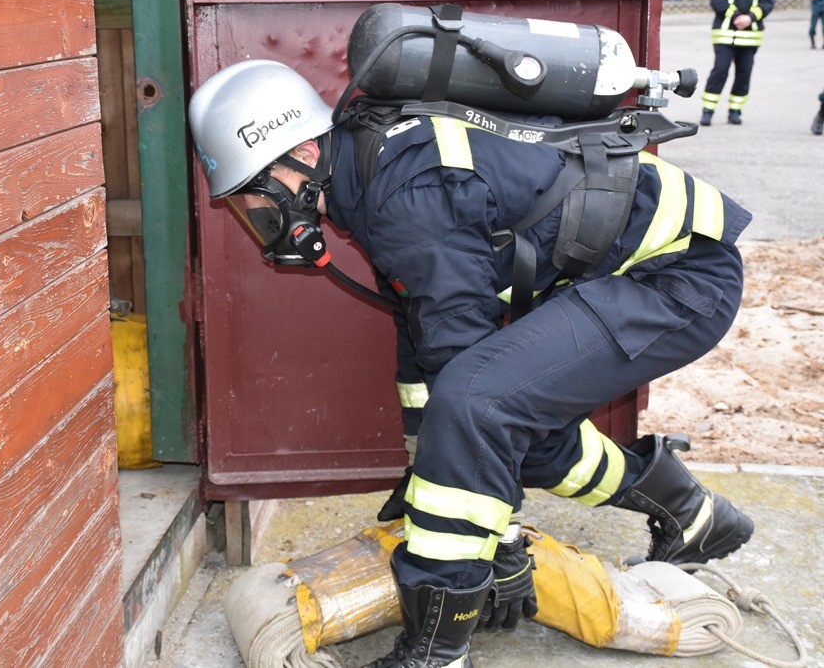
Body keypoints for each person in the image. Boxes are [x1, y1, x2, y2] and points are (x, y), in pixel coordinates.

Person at [189, 59, 756, 668]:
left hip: (677, 277)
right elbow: (425, 344)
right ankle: (693, 516)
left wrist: (499, 541)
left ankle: (436, 651)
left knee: (478, 410)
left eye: (256, 192)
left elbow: (466, 387)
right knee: (507, 433)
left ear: (302, 151)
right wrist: (423, 472)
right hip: (630, 274)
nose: (260, 215)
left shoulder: (403, 191)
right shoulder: (371, 171)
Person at [700, 0, 775, 126]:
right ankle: (708, 110)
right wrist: (736, 17)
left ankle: (735, 110)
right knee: (720, 71)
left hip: (750, 37)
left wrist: (750, 17)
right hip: (724, 36)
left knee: (744, 74)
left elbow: (768, 1)